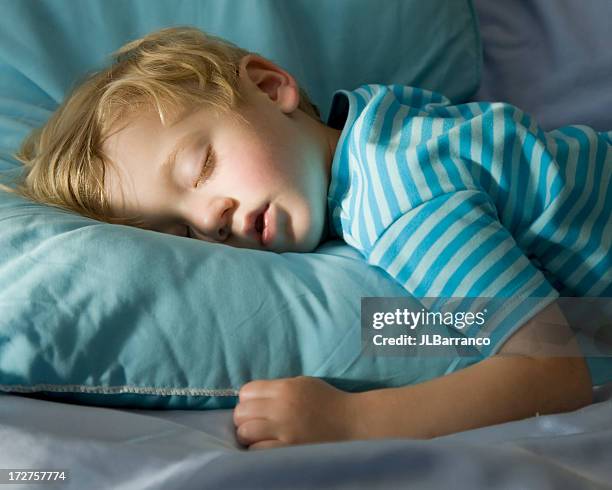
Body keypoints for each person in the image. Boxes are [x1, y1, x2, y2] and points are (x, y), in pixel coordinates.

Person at [5, 27, 609, 450]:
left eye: (198, 169)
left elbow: (553, 368)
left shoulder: (402, 197)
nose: (209, 221)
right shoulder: (376, 119)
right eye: (180, 231)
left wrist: (352, 420)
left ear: (271, 88)